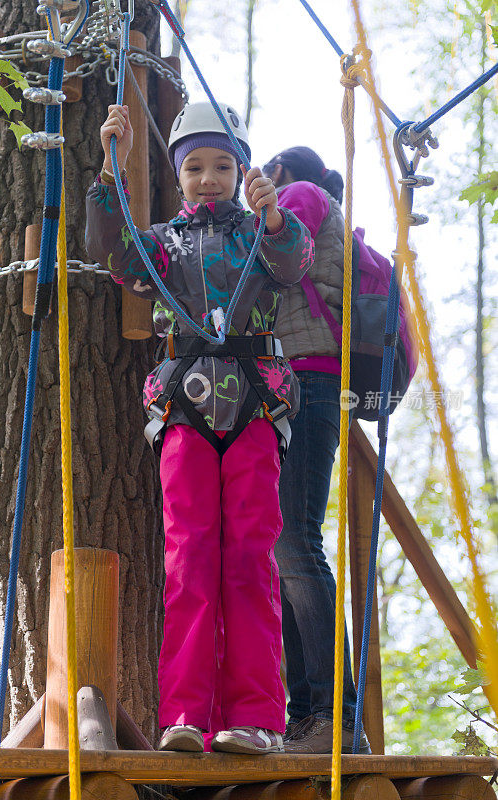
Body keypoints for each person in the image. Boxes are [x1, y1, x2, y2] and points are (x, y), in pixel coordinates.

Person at [85, 104, 315, 755]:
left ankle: (258, 717)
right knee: (189, 558)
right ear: (177, 175)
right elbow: (112, 252)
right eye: (194, 168)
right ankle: (185, 714)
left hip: (255, 406)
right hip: (183, 408)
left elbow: (294, 261)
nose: (207, 178)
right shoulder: (162, 243)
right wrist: (111, 165)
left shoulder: (258, 235)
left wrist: (271, 214)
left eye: (221, 166)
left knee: (248, 558)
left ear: (241, 170)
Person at [262, 146, 372, 755]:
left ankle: (331, 715)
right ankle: (307, 714)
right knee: (286, 544)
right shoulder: (313, 199)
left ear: (279, 171)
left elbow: (266, 250)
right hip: (297, 379)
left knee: (295, 541)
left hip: (305, 377)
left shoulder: (299, 197)